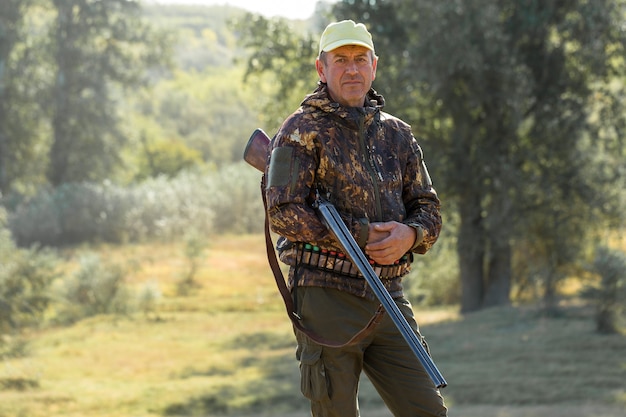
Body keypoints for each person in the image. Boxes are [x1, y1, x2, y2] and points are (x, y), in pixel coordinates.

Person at [264, 19, 448, 417]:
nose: (352, 69)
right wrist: (359, 235)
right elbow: (283, 212)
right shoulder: (300, 130)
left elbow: (430, 209)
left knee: (429, 411)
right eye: (341, 59)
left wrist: (410, 236)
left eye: (360, 59)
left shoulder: (398, 135)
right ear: (321, 68)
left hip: (388, 297)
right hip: (325, 296)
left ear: (374, 67)